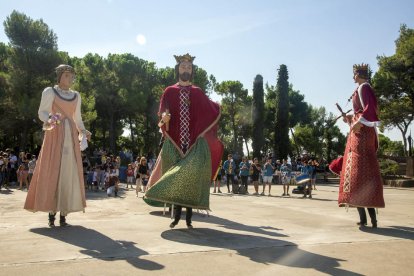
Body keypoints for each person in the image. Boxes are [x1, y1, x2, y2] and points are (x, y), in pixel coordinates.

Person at [144, 53, 223, 229]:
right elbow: (163, 110)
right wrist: (164, 117)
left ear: (192, 71)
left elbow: (209, 109)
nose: (185, 69)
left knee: (190, 178)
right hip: (174, 141)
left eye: (188, 67)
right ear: (177, 69)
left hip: (194, 142)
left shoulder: (198, 92)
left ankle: (188, 219)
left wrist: (217, 107)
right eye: (182, 67)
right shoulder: (169, 91)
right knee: (175, 177)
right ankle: (176, 216)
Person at [24, 64, 91, 227]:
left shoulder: (76, 95)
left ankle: (63, 214)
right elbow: (42, 112)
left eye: (72, 76)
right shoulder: (50, 92)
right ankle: (51, 212)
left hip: (71, 138)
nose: (70, 79)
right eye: (67, 75)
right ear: (60, 76)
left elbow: (77, 117)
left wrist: (83, 130)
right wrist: (51, 119)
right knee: (53, 169)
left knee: (69, 172)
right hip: (55, 134)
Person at [337, 63, 384, 228]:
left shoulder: (365, 87)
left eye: (354, 74)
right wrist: (350, 119)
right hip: (357, 133)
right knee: (355, 177)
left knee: (362, 173)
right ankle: (364, 219)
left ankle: (373, 220)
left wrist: (359, 122)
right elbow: (360, 113)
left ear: (360, 74)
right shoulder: (360, 89)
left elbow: (371, 109)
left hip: (362, 134)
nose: (353, 77)